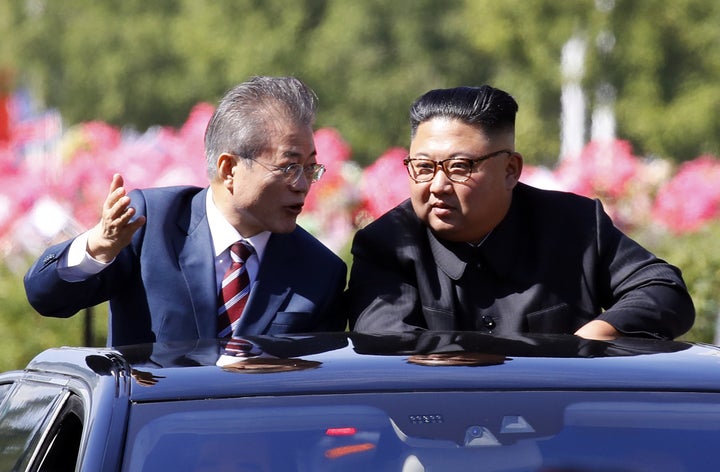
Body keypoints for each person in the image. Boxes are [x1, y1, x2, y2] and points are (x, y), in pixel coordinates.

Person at [347, 85, 694, 340]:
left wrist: (597, 335)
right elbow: (388, 345)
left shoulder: (575, 226)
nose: (437, 184)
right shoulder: (387, 245)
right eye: (423, 167)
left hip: (559, 427)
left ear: (511, 169)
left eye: (459, 166)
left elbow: (663, 291)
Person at [25, 76, 347, 346]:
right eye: (289, 167)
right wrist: (99, 247)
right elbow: (45, 296)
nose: (303, 184)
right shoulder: (149, 224)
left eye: (310, 168)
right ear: (229, 168)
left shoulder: (320, 271)